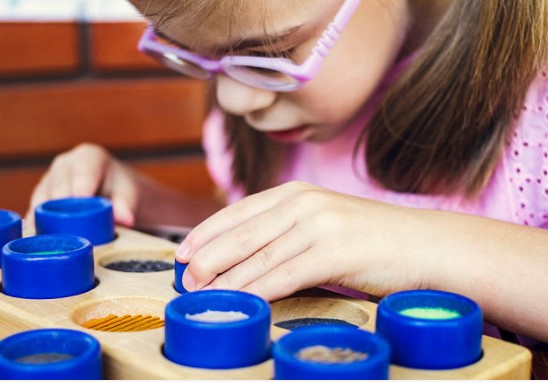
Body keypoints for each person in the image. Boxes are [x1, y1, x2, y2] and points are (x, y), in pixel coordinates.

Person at [28, 0, 547, 345]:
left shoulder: (535, 116)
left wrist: (412, 242)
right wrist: (155, 208)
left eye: (273, 54)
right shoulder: (270, 121)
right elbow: (296, 244)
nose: (233, 100)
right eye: (188, 53)